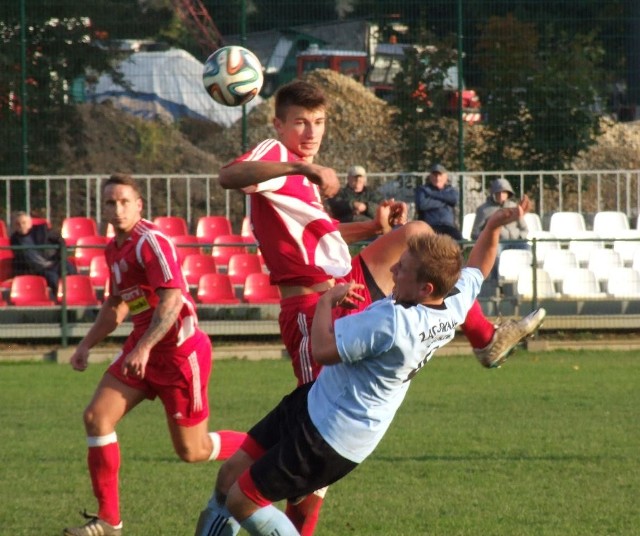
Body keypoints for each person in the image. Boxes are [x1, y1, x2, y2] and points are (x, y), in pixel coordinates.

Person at [199, 80, 546, 535]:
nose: (311, 132)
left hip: (340, 287)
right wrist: (301, 168)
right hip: (312, 305)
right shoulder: (276, 159)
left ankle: (485, 339)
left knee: (418, 233)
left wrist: (372, 226)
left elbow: (318, 236)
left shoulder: (296, 172)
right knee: (308, 442)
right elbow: (227, 176)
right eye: (300, 122)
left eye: (319, 123)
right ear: (278, 124)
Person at [62, 173, 245, 536]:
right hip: (141, 351)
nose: (117, 209)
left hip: (179, 354)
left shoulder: (152, 242)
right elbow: (117, 305)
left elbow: (173, 299)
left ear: (139, 204)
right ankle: (109, 521)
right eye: (110, 203)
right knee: (96, 417)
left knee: (193, 450)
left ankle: (268, 446)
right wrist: (86, 345)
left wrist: (145, 346)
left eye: (124, 202)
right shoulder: (113, 248)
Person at [471, 178, 529, 280]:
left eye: (504, 192)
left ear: (508, 194)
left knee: (528, 248)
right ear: (493, 193)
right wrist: (488, 239)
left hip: (516, 241)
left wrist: (520, 236)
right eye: (499, 192)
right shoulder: (484, 210)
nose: (501, 195)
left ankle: (528, 279)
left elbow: (524, 229)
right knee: (495, 253)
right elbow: (475, 232)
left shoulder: (514, 207)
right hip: (497, 243)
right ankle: (495, 281)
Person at [10, 211, 77, 294]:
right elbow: (19, 259)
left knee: (70, 269)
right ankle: (62, 300)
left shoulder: (42, 230)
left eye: (24, 223)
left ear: (30, 223)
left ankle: (76, 293)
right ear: (14, 226)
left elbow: (60, 241)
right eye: (18, 224)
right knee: (53, 278)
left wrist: (61, 256)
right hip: (40, 269)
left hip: (55, 261)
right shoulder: (14, 239)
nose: (21, 226)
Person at [414, 163, 463, 240]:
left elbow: (454, 199)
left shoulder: (450, 190)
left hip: (448, 227)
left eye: (440, 175)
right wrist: (445, 202)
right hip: (430, 226)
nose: (437, 178)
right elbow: (422, 204)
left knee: (458, 239)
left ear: (446, 177)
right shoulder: (423, 189)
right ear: (430, 176)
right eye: (435, 175)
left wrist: (432, 194)